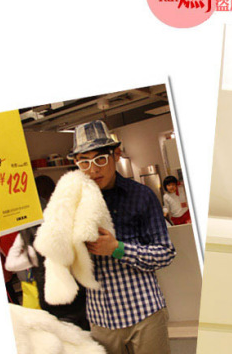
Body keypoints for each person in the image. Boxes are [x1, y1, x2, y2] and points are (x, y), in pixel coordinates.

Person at [70, 120, 176, 354]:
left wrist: (117, 248)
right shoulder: (72, 202)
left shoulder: (141, 196)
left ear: (115, 155)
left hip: (144, 312)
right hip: (100, 318)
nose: (93, 169)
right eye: (84, 161)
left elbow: (166, 253)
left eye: (100, 159)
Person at [5, 175, 90, 330]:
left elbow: (11, 264)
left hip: (50, 296)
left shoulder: (29, 227)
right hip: (79, 292)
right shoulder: (69, 216)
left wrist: (31, 255)